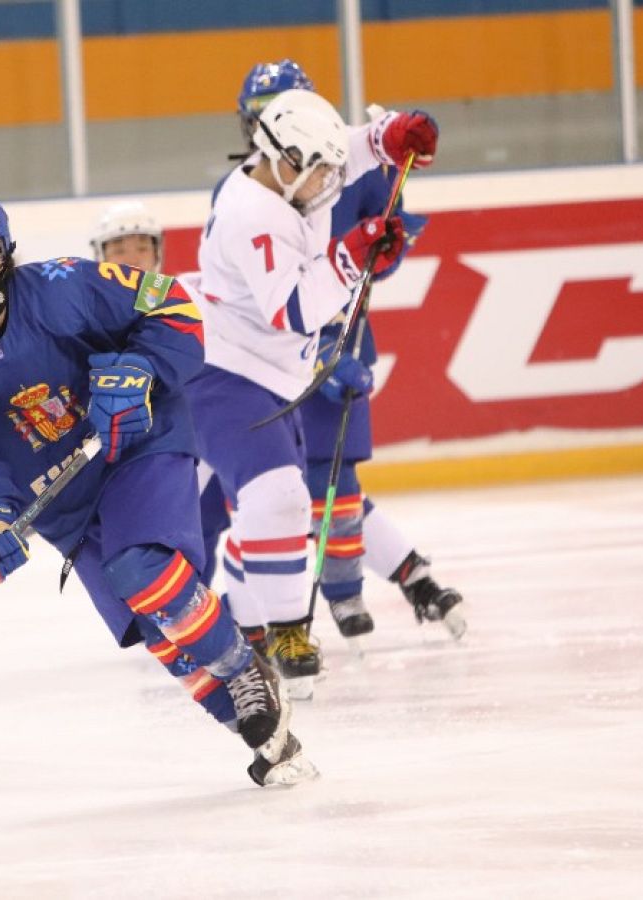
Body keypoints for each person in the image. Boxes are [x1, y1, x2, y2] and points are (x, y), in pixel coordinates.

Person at [0, 188, 314, 786]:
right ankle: (270, 740)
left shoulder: (65, 286)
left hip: (135, 450)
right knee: (154, 627)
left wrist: (143, 368)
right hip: (65, 503)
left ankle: (241, 664)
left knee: (142, 570)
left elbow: (174, 309)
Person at [187, 86, 444, 698]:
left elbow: (338, 160)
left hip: (270, 374)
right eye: (317, 171)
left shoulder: (291, 173)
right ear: (282, 162)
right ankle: (283, 629)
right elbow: (297, 309)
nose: (330, 182)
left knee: (276, 506)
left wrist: (389, 138)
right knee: (277, 499)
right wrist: (354, 256)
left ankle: (262, 628)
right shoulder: (253, 213)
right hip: (228, 372)